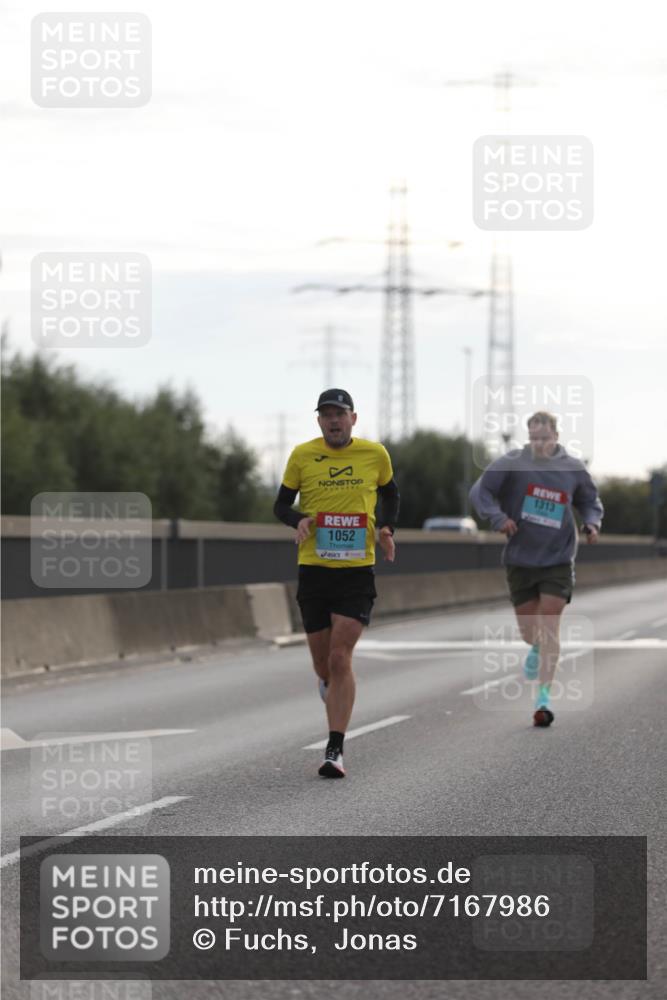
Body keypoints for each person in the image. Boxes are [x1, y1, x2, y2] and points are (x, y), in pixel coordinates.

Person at [273, 389, 400, 777]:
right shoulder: (302, 455)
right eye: (327, 414)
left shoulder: (374, 454)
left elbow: (390, 493)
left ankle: (334, 750)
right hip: (314, 567)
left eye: (340, 414)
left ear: (353, 419)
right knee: (323, 663)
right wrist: (299, 521)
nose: (333, 420)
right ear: (319, 421)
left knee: (341, 655)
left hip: (356, 569)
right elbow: (280, 505)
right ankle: (330, 686)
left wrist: (387, 528)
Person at [469, 411, 603, 727]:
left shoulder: (571, 468)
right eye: (533, 439)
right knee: (531, 632)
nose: (539, 444)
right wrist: (499, 518)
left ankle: (543, 698)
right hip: (520, 558)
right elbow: (480, 491)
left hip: (558, 557)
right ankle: (536, 647)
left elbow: (589, 500)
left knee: (551, 621)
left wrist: (592, 523)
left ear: (556, 437)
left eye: (544, 439)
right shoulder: (513, 463)